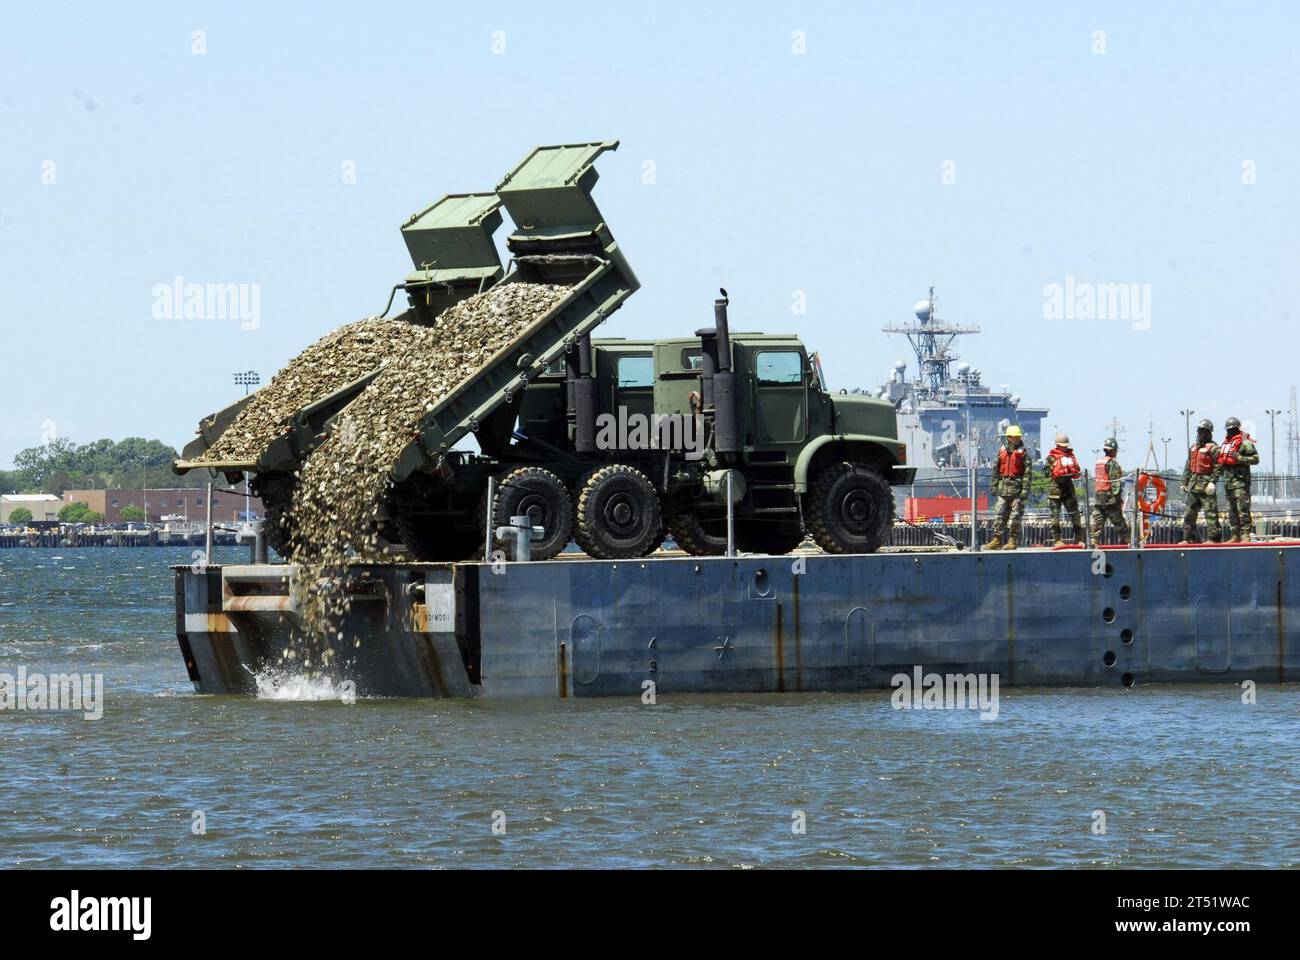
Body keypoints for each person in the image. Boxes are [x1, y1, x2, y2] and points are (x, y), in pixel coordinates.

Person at [986, 424, 1031, 551]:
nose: (1016, 439)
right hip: (1003, 488)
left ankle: (1012, 541)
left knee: (1016, 516)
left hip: (1017, 488)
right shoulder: (1001, 450)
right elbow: (995, 469)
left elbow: (1027, 474)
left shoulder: (1023, 453)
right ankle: (996, 540)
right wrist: (994, 485)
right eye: (1014, 437)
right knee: (999, 514)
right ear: (1009, 437)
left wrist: (1025, 490)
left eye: (1018, 437)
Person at [1216, 415, 1259, 542]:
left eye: (1232, 429)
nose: (1230, 432)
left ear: (1237, 429)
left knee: (1243, 509)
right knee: (1231, 510)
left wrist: (1239, 457)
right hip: (1228, 483)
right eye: (1228, 430)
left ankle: (1245, 534)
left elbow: (1255, 459)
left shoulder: (1245, 442)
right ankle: (1235, 535)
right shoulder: (1226, 444)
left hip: (1241, 482)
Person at [1180, 418, 1221, 544]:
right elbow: (1188, 465)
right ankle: (1188, 538)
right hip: (1193, 485)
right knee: (1189, 514)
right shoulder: (1193, 448)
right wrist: (1184, 482)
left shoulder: (1214, 449)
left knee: (1211, 513)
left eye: (1203, 431)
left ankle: (1213, 539)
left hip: (1206, 485)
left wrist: (1213, 482)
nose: (1200, 433)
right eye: (1199, 431)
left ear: (1209, 433)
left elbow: (1218, 467)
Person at [1043, 432, 1086, 546]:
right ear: (1057, 445)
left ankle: (1079, 538)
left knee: (1075, 514)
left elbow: (1077, 470)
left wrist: (1074, 471)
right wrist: (1054, 467)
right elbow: (1045, 473)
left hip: (1068, 488)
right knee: (1055, 516)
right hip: (1055, 489)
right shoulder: (1051, 458)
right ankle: (1057, 539)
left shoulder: (1071, 457)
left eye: (1066, 445)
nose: (1065, 447)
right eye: (1063, 446)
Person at [1091, 438, 1131, 544]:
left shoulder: (1098, 462)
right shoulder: (1111, 463)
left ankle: (1093, 541)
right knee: (1118, 520)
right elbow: (1115, 482)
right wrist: (1118, 498)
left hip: (1098, 497)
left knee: (1098, 520)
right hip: (1109, 497)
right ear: (1113, 450)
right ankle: (1127, 541)